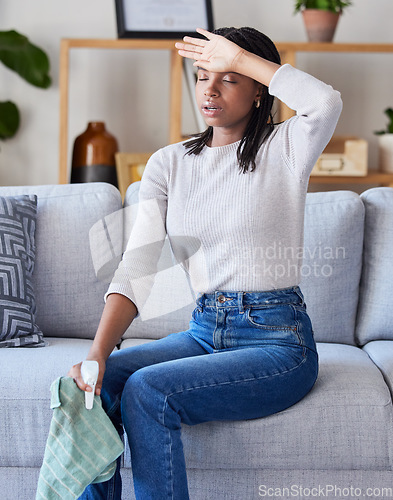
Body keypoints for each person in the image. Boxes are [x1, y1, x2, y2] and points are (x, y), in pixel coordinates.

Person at [69, 26, 342, 500]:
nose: (210, 91)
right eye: (201, 77)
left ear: (259, 90)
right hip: (203, 331)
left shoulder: (286, 147)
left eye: (229, 77)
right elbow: (139, 268)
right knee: (100, 385)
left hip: (277, 341)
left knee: (148, 391)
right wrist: (97, 352)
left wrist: (238, 54)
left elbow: (325, 101)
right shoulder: (169, 163)